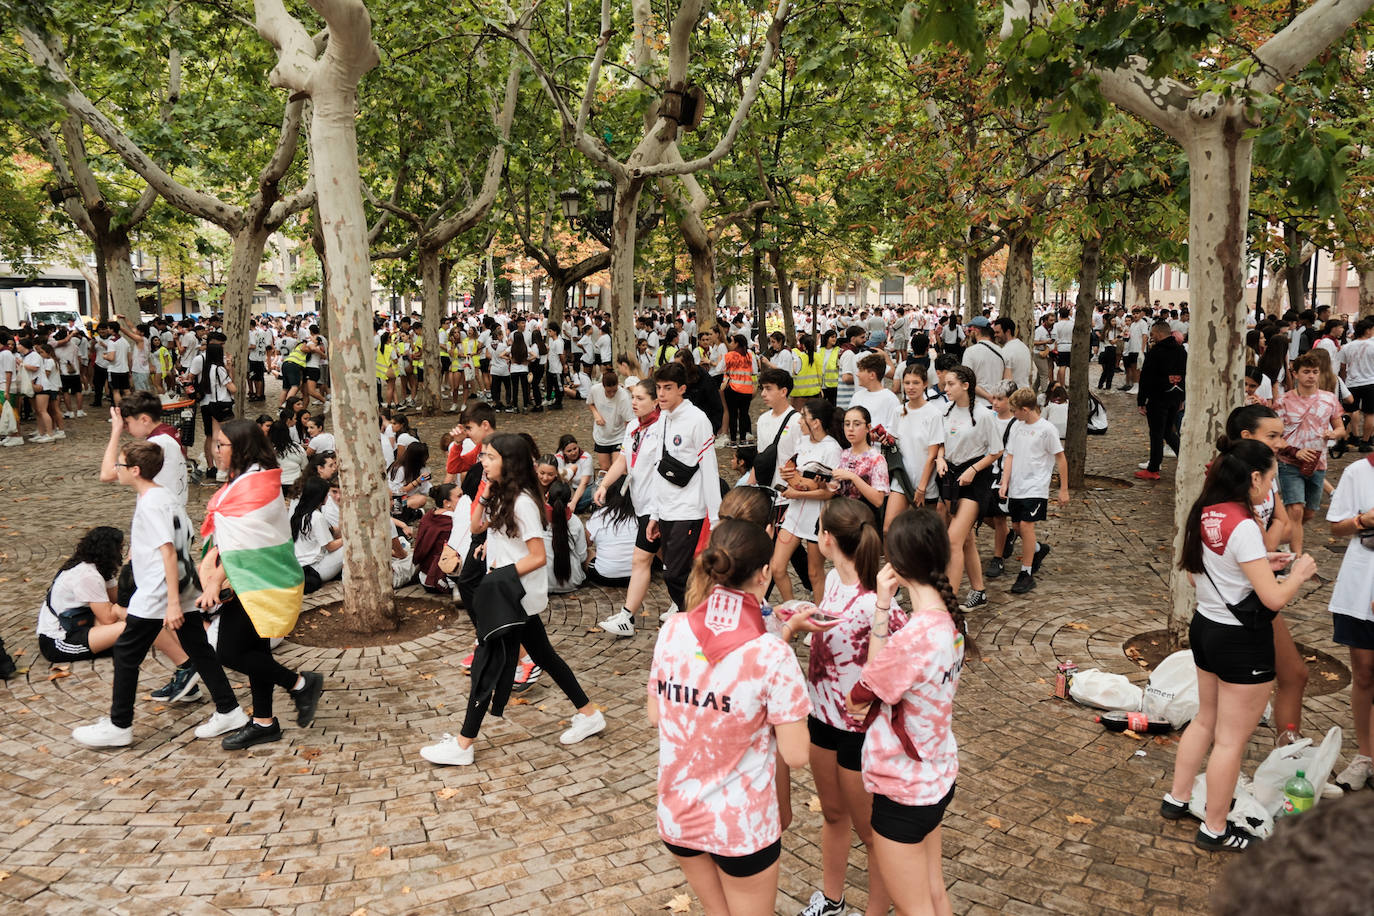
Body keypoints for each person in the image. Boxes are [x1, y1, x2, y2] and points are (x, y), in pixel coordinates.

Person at [649, 519, 814, 916]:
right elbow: (796, 755)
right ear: (763, 574)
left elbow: (656, 714)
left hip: (680, 813)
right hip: (741, 825)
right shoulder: (771, 655)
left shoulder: (672, 629)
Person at [1162, 439, 1317, 851]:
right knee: (1231, 740)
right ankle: (1215, 828)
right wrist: (1298, 572)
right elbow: (1273, 599)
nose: (1271, 488)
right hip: (1240, 642)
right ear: (1253, 477)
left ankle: (1176, 798)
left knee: (1206, 720)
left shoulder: (1206, 511)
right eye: (1270, 479)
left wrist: (1263, 563)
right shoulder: (1245, 524)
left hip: (1206, 628)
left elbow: (1203, 573)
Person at [420, 434, 604, 766]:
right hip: (510, 592)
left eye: (489, 457)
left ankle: (463, 745)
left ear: (508, 461)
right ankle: (589, 713)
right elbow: (477, 526)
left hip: (513, 594)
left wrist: (498, 575)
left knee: (485, 664)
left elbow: (537, 556)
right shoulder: (502, 494)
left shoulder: (522, 503)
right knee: (544, 656)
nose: (483, 462)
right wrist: (486, 494)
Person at [846, 507, 967, 916]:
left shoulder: (912, 640)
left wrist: (882, 607)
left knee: (917, 908)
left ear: (895, 564)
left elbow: (859, 696)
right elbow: (881, 678)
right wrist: (884, 605)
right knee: (934, 894)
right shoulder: (951, 621)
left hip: (903, 791)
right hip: (935, 777)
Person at [786, 499, 897, 916]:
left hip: (859, 732)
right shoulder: (833, 579)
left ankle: (876, 911)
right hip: (821, 718)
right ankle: (832, 901)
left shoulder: (878, 603)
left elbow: (900, 663)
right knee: (833, 815)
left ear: (827, 538)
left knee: (871, 834)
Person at [196, 418, 324, 751]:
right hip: (253, 578)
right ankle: (264, 722)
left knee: (229, 651)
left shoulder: (253, 486)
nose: (215, 450)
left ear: (240, 448)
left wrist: (215, 581)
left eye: (221, 444)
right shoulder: (247, 480)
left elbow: (245, 548)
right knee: (254, 650)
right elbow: (238, 541)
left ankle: (299, 683)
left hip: (259, 580)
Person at [71, 442, 203, 748]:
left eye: (120, 465)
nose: (115, 471)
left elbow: (168, 551)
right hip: (169, 587)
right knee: (201, 652)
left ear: (135, 471)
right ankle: (228, 707)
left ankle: (120, 725)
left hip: (156, 592)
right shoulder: (163, 495)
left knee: (127, 655)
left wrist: (171, 601)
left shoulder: (151, 502)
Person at [645, 363, 722, 614]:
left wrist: (715, 515)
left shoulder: (698, 420)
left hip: (690, 510)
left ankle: (694, 617)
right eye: (658, 388)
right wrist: (654, 514)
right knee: (681, 574)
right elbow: (659, 467)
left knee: (674, 575)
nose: (662, 394)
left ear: (682, 389)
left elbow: (710, 469)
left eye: (668, 388)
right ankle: (694, 618)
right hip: (666, 510)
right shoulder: (663, 419)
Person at [1325, 436, 1374, 791]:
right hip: (1361, 586)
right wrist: (1362, 520)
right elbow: (1336, 527)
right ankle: (1365, 755)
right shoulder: (1358, 472)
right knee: (1365, 672)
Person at [935, 365, 1002, 609]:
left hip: (975, 480)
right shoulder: (945, 411)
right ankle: (979, 591)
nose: (946, 388)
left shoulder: (983, 415)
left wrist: (973, 470)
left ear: (966, 385)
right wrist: (940, 459)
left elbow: (996, 451)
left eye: (951, 384)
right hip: (951, 477)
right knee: (966, 541)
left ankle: (948, 602)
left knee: (953, 539)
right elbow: (940, 442)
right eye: (945, 384)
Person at [1275, 350, 1346, 555]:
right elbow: (1274, 435)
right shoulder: (1283, 401)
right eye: (1306, 372)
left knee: (1308, 513)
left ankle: (1280, 537)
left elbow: (1341, 428)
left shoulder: (1329, 399)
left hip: (1318, 463)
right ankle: (1296, 557)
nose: (1311, 376)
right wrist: (1294, 451)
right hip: (1288, 462)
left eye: (1315, 371)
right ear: (1295, 374)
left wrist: (1334, 434)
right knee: (1295, 509)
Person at [772, 399, 842, 603]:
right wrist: (789, 476)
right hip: (794, 513)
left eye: (803, 416)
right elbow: (798, 475)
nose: (799, 421)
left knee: (814, 573)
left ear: (816, 423)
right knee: (777, 567)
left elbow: (830, 493)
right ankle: (790, 610)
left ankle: (818, 623)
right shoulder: (802, 441)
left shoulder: (832, 448)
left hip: (816, 517)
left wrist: (798, 492)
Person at [1000, 388, 1069, 594]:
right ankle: (1038, 550)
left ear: (1026, 409)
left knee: (1026, 526)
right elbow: (1010, 455)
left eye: (1014, 411)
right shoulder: (1016, 427)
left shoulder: (1047, 430)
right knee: (1017, 527)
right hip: (1017, 486)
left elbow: (1060, 458)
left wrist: (1063, 489)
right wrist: (1005, 482)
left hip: (1036, 486)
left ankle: (1026, 573)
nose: (1012, 414)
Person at [36, 526, 130, 664]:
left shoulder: (100, 568)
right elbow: (108, 618)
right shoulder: (87, 575)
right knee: (130, 628)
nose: (122, 552)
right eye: (120, 548)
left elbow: (118, 599)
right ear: (111, 551)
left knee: (134, 625)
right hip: (58, 641)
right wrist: (117, 610)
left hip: (79, 623)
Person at [886, 363, 942, 534]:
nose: (911, 387)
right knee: (889, 529)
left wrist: (922, 487)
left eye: (916, 383)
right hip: (902, 478)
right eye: (907, 382)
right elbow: (893, 440)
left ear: (925, 384)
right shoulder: (898, 411)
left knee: (924, 534)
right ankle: (893, 562)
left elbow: (932, 454)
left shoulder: (933, 414)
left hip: (925, 482)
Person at [1134, 321, 1188, 481]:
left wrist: (1141, 400)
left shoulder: (1156, 352)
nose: (1152, 337)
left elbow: (1146, 377)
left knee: (1157, 433)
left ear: (1158, 333)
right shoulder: (1181, 351)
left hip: (1158, 398)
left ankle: (1153, 468)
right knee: (1167, 432)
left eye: (1152, 335)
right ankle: (1185, 460)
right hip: (1175, 396)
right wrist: (1182, 398)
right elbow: (1186, 376)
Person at [830, 406, 889, 527]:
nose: (850, 429)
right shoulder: (844, 453)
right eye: (847, 424)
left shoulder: (876, 458)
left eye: (857, 424)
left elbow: (878, 500)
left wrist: (853, 477)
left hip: (864, 520)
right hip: (842, 516)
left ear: (868, 428)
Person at [291, 476, 344, 592]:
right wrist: (348, 538)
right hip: (315, 569)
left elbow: (332, 531)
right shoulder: (316, 516)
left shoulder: (300, 513)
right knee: (349, 546)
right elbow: (330, 547)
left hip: (300, 567)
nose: (328, 496)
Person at [584, 476, 638, 587]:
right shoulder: (640, 515)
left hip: (604, 577)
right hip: (637, 576)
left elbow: (586, 543)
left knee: (587, 553)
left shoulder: (599, 516)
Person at [544, 480, 588, 593]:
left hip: (543, 583)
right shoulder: (576, 522)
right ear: (569, 500)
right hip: (572, 582)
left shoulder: (536, 518)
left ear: (547, 495)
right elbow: (582, 556)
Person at [589, 370, 633, 472]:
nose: (612, 394)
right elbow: (590, 403)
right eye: (609, 391)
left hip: (618, 436)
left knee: (618, 469)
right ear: (602, 386)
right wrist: (596, 415)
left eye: (615, 390)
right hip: (602, 435)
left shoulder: (624, 397)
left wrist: (628, 441)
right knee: (605, 468)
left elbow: (628, 421)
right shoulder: (595, 390)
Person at [722, 334, 757, 446]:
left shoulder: (729, 355)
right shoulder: (750, 355)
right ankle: (742, 439)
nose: (731, 344)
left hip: (733, 389)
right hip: (747, 389)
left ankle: (733, 440)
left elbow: (720, 368)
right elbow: (754, 371)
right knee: (743, 414)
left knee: (732, 414)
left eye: (732, 342)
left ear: (736, 343)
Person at [555, 434, 595, 514]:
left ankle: (569, 508)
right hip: (568, 487)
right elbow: (559, 479)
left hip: (586, 487)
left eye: (575, 449)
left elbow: (584, 483)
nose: (573, 453)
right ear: (563, 451)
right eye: (569, 451)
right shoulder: (558, 457)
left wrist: (573, 502)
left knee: (592, 493)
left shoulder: (586, 457)